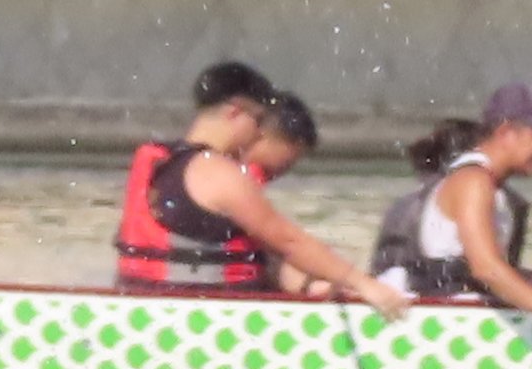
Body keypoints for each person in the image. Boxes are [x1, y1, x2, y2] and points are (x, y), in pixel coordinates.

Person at [115, 64, 403, 304]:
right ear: (234, 112)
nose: (259, 134)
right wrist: (365, 284)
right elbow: (289, 242)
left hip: (145, 304)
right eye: (259, 120)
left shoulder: (155, 159)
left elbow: (263, 253)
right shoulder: (218, 173)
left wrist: (312, 286)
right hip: (205, 320)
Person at [372, 85, 532, 318]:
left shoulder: (489, 186)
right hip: (433, 321)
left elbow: (497, 274)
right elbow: (487, 270)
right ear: (506, 133)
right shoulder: (474, 182)